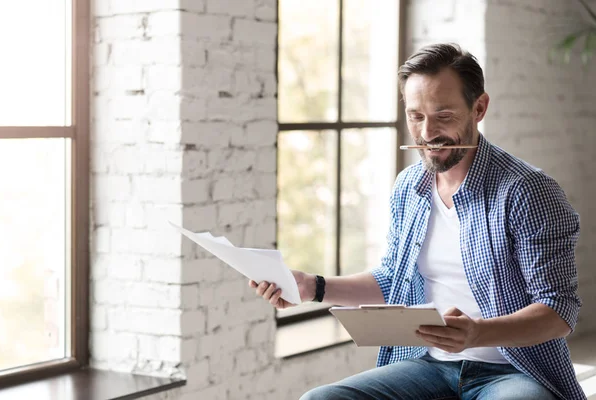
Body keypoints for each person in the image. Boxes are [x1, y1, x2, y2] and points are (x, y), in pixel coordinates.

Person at [249, 43, 584, 400]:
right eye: (416, 116)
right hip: (427, 365)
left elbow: (558, 310)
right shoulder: (410, 186)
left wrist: (476, 334)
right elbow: (395, 277)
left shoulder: (527, 191)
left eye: (444, 116)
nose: (426, 133)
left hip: (514, 372)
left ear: (479, 108)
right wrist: (312, 286)